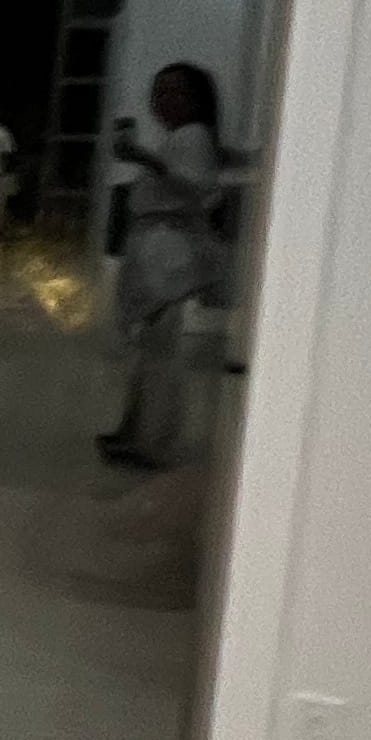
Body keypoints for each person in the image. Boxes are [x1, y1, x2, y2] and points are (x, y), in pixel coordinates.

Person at [102, 61, 224, 469]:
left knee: (159, 353)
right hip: (159, 248)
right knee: (152, 350)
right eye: (160, 91)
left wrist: (145, 159)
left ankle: (153, 443)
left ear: (196, 100)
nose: (164, 100)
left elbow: (195, 186)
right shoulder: (185, 137)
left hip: (168, 252)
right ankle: (136, 433)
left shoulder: (191, 137)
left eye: (176, 92)